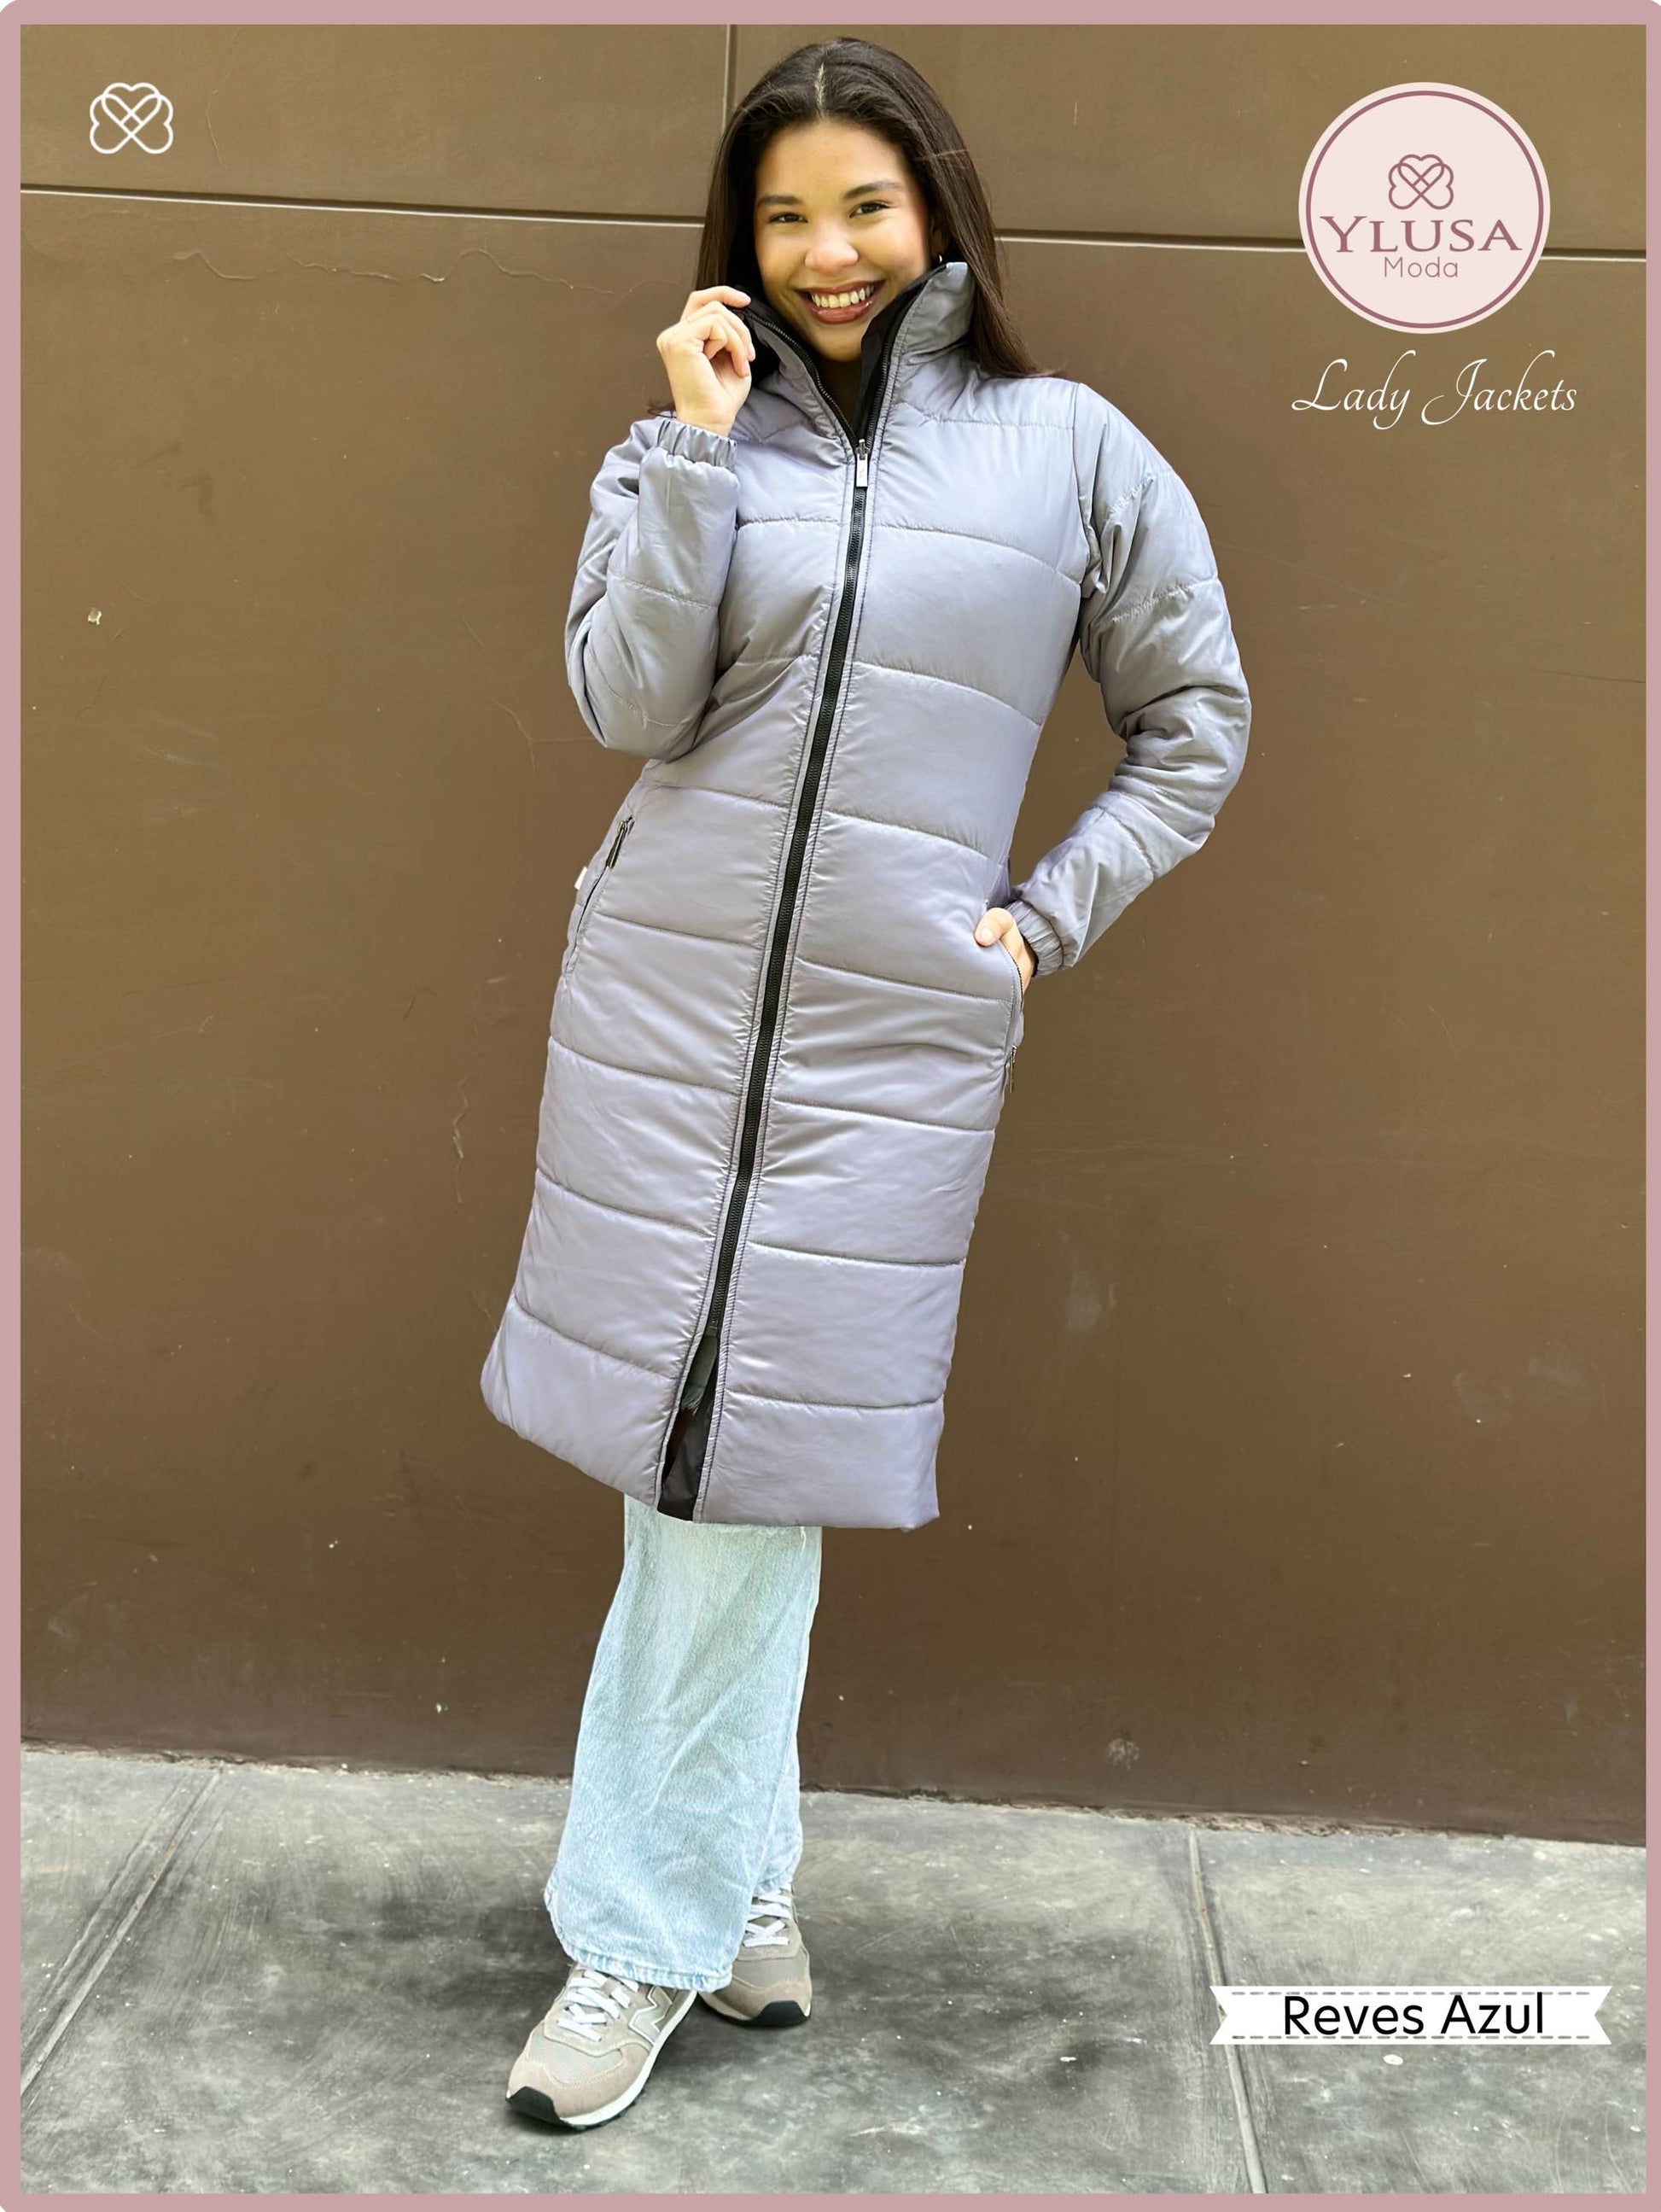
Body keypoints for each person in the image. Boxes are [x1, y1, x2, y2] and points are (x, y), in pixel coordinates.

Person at [490, 36, 1250, 2131]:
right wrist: (684, 450)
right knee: (704, 1472)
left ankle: (635, 1936)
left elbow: (1194, 719)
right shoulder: (683, 441)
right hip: (659, 1021)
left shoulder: (1067, 450)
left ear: (936, 212)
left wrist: (1038, 922)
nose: (827, 252)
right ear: (737, 237)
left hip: (884, 1054)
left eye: (865, 206)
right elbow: (622, 701)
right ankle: (727, 1903)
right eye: (785, 214)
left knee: (735, 1479)